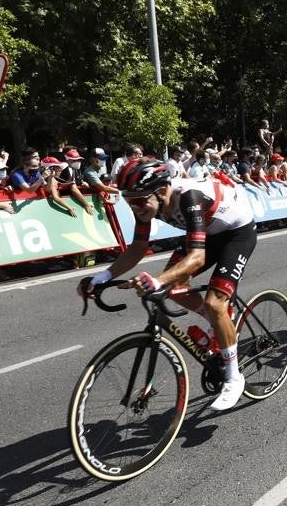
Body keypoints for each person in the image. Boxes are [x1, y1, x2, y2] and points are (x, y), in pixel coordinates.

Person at [82, 159, 257, 411]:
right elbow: (139, 247)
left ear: (162, 191)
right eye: (129, 201)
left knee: (214, 301)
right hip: (206, 233)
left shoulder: (189, 197)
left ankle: (233, 377)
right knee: (173, 288)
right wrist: (103, 277)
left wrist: (156, 280)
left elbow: (197, 257)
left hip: (236, 233)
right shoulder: (146, 202)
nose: (135, 207)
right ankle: (219, 323)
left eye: (140, 201)